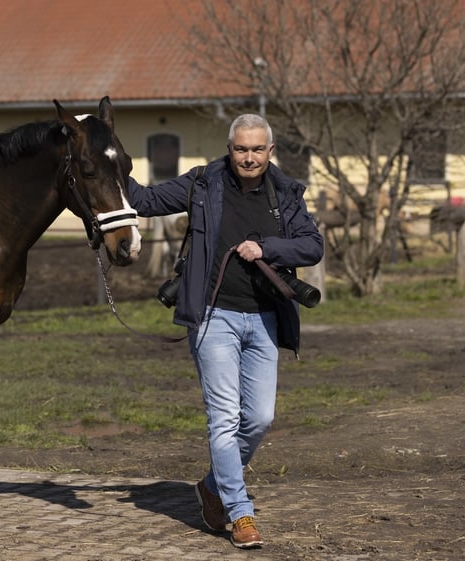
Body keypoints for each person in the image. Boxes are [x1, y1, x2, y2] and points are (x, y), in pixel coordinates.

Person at [126, 114, 324, 549]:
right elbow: (143, 199)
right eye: (240, 149)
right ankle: (240, 513)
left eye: (257, 149)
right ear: (229, 148)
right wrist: (110, 156)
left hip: (265, 319)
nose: (248, 157)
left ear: (270, 152)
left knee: (259, 418)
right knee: (224, 418)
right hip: (214, 318)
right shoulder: (202, 183)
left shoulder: (286, 194)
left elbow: (312, 245)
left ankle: (212, 486)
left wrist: (267, 248)